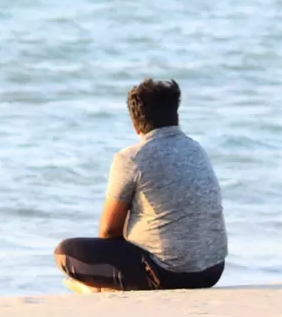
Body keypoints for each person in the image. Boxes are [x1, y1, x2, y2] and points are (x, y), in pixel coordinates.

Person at [54, 78, 228, 292]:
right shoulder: (197, 150)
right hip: (212, 271)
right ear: (177, 117)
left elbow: (109, 230)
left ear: (135, 124)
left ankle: (100, 286)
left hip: (167, 274)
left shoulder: (131, 158)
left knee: (64, 252)